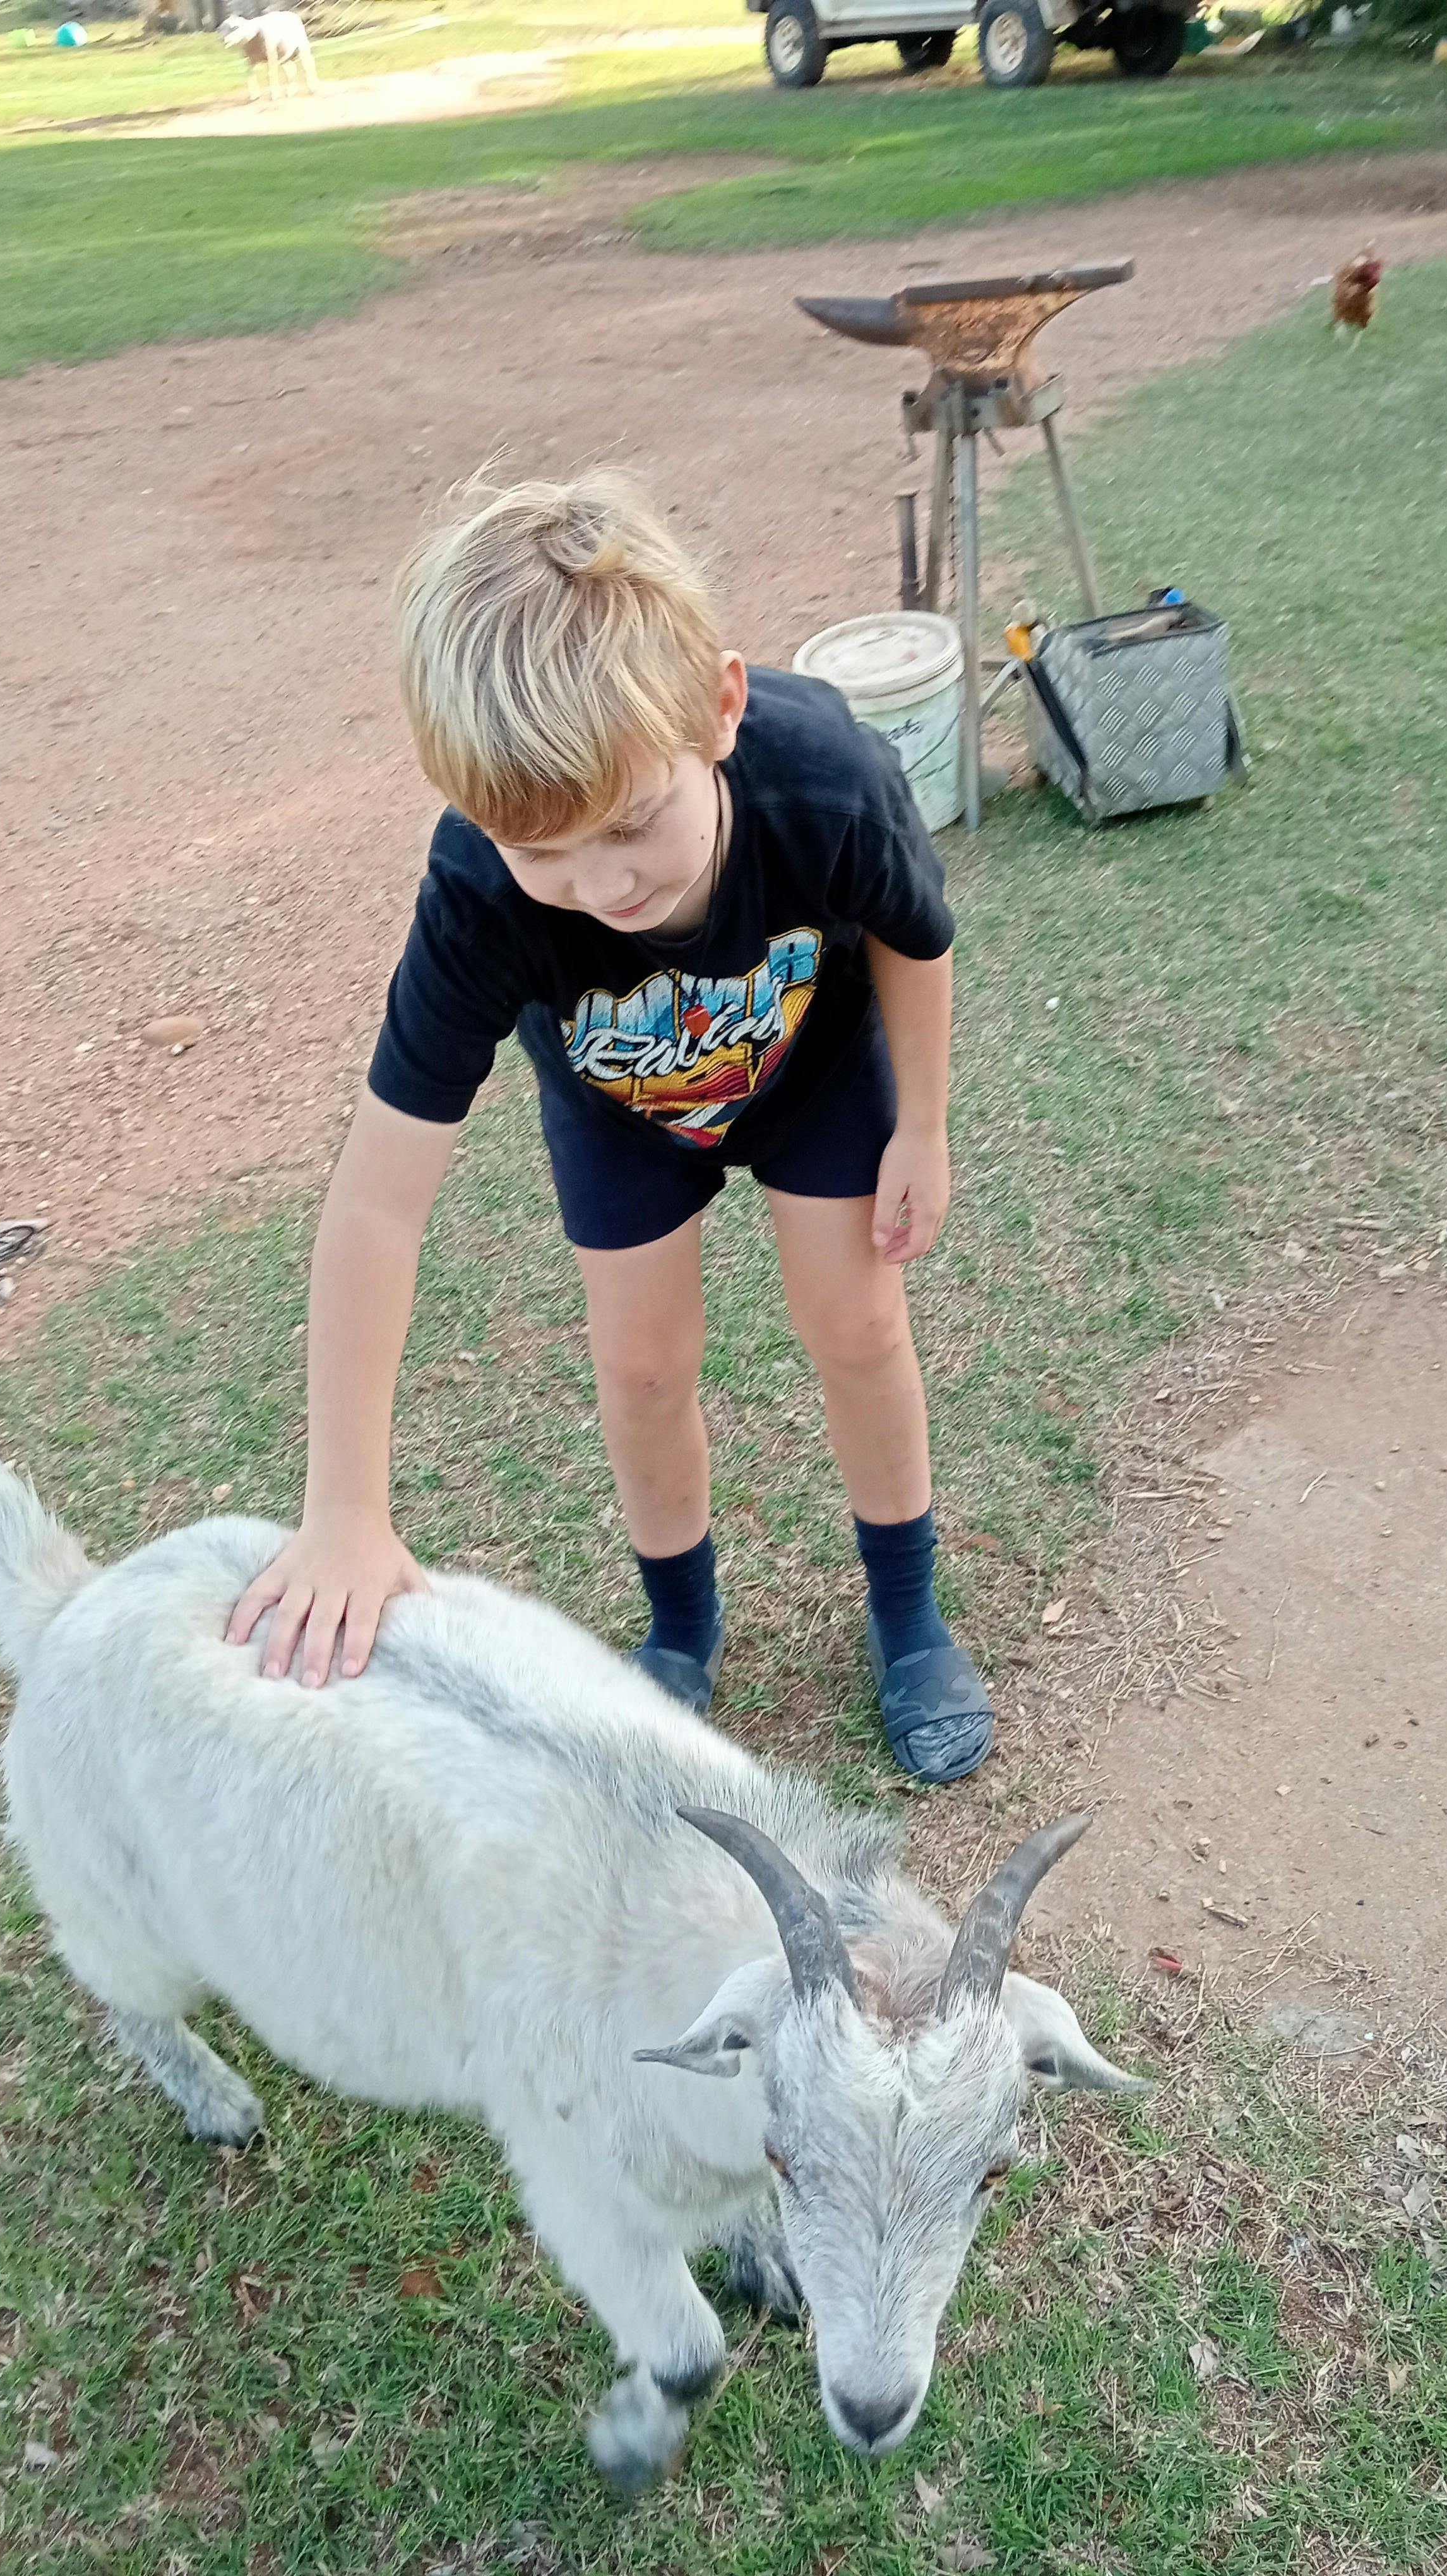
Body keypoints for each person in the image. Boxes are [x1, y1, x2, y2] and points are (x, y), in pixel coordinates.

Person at [227, 472, 992, 1783]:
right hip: (621, 1107)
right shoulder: (479, 893)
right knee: (640, 1369)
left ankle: (908, 1614)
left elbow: (917, 943)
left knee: (860, 1328)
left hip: (814, 1070)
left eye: (633, 823)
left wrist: (922, 1125)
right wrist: (345, 1509)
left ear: (720, 708)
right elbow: (377, 1201)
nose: (601, 884)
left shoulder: (828, 780)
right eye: (544, 854)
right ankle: (680, 1633)